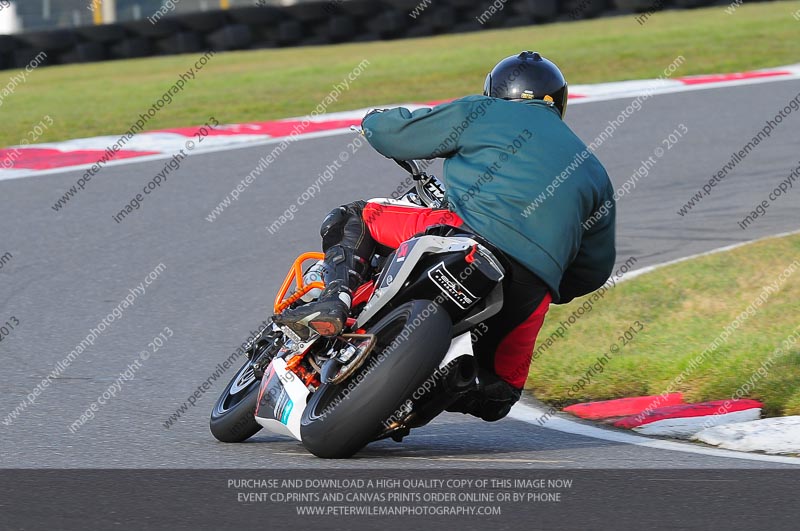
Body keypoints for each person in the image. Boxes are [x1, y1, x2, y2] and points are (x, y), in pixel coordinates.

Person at [274, 51, 616, 421]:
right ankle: (437, 386)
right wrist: (546, 280)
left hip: (462, 233)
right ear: (559, 102)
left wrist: (373, 119)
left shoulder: (485, 112)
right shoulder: (594, 170)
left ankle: (335, 298)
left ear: (495, 91)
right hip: (530, 288)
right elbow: (595, 269)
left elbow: (397, 134)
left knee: (355, 216)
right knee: (499, 395)